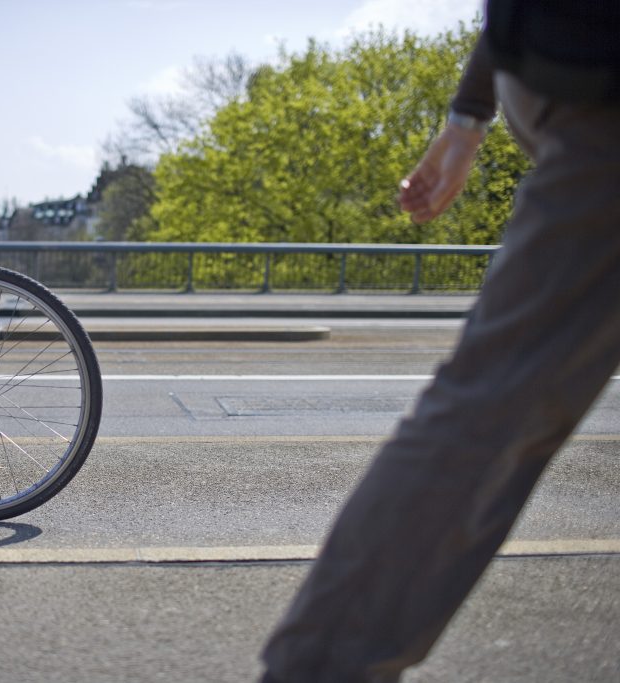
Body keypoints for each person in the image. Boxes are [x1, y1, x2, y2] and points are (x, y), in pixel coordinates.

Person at [259, 4, 620, 682]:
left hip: (557, 69)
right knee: (501, 402)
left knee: (504, 395)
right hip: (597, 97)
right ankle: (319, 667)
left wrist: (468, 116)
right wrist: (468, 115)